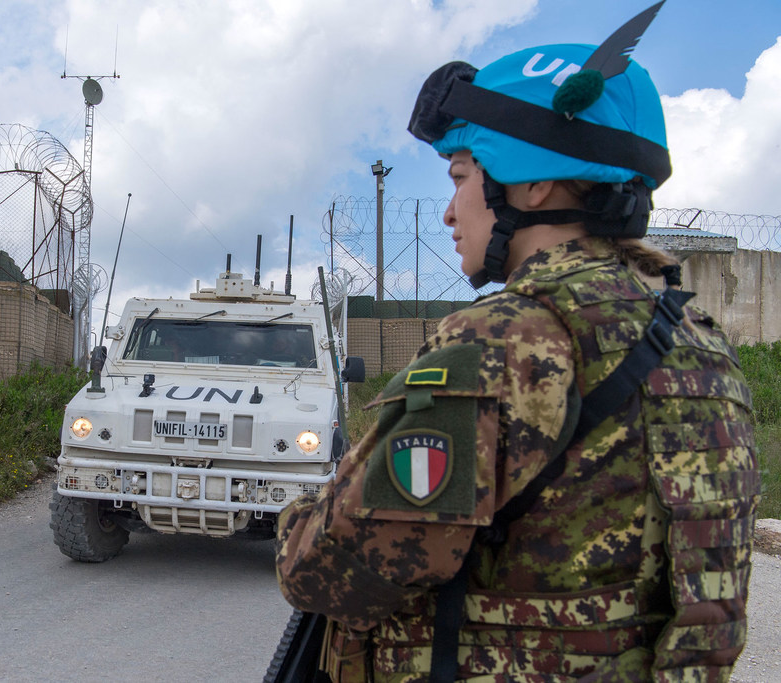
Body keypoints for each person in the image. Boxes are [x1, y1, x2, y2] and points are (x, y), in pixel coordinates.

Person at [274, 3, 759, 681]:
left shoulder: (504, 340)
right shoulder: (704, 347)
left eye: (461, 178)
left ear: (530, 184)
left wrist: (300, 516)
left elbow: (327, 573)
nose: (448, 210)